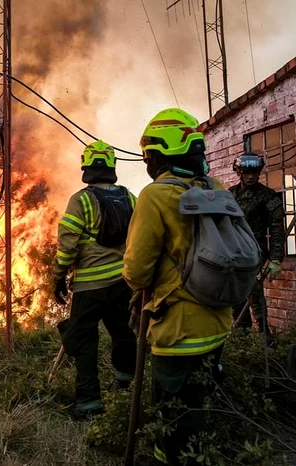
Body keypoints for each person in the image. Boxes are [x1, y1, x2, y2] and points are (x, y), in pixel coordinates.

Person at [123, 108, 231, 465]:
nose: (147, 161)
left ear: (162, 154)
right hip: (218, 322)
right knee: (200, 402)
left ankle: (171, 460)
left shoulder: (156, 195)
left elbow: (137, 271)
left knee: (174, 412)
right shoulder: (217, 189)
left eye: (149, 153)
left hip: (178, 330)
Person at [53, 140, 138, 419]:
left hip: (89, 288)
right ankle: (128, 386)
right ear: (112, 167)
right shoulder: (130, 198)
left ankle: (89, 404)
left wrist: (59, 275)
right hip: (122, 284)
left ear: (86, 166)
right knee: (124, 334)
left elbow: (68, 244)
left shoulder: (82, 200)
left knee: (84, 342)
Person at [230, 154, 285, 338]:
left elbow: (277, 229)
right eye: (246, 173)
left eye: (254, 173)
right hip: (233, 250)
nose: (251, 177)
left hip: (255, 249)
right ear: (239, 173)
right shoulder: (230, 195)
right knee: (236, 294)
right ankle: (241, 336)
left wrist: (276, 258)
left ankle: (264, 336)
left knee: (253, 290)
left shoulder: (268, 196)